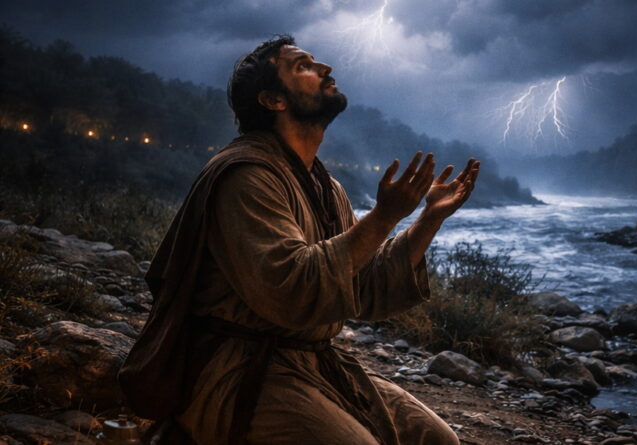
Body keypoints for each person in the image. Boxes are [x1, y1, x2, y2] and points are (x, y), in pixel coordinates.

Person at [119, 35, 480, 445]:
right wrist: (383, 217)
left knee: (439, 440)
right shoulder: (246, 176)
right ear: (273, 100)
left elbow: (363, 286)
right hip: (235, 369)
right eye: (303, 66)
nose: (324, 68)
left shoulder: (326, 186)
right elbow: (292, 291)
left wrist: (429, 218)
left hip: (314, 364)